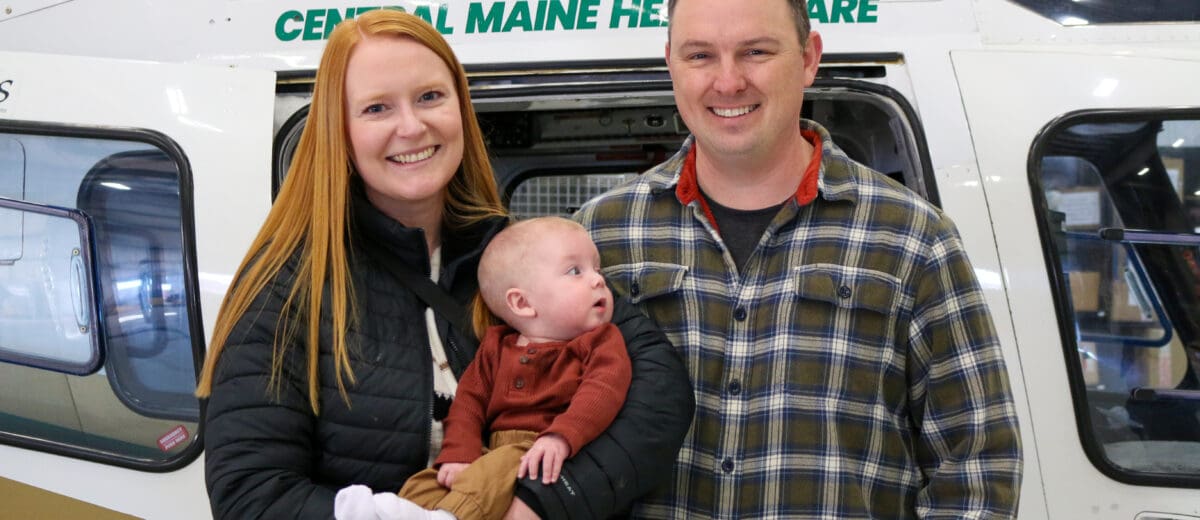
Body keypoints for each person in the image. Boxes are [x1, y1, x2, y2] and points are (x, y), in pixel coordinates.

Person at [195, 10, 693, 520]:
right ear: (338, 130)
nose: (411, 127)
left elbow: (660, 392)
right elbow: (250, 492)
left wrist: (540, 505)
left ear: (461, 107)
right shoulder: (284, 284)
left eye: (430, 97)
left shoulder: (515, 255)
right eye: (376, 108)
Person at [573, 0, 1023, 517]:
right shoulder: (599, 237)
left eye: (755, 51)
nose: (728, 82)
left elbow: (976, 468)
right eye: (700, 56)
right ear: (671, 64)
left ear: (809, 58)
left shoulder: (913, 239)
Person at [357, 216, 632, 520]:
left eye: (597, 268)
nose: (598, 280)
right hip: (492, 452)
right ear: (522, 303)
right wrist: (459, 454)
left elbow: (604, 389)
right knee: (433, 480)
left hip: (540, 452)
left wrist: (561, 436)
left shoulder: (600, 341)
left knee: (496, 470)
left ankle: (451, 517)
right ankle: (391, 511)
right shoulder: (496, 347)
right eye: (574, 271)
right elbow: (468, 404)